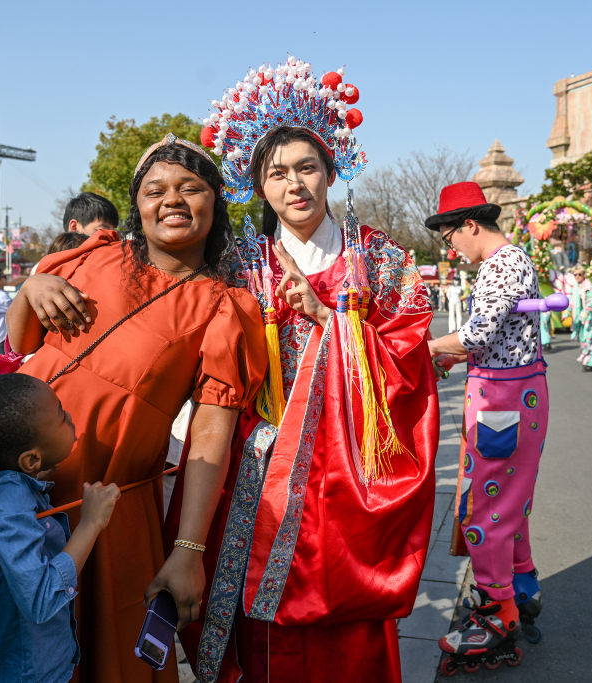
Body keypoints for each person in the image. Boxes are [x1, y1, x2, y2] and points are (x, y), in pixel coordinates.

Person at [0, 134, 268, 683]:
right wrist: (32, 288)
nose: (171, 200)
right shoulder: (91, 255)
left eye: (190, 188)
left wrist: (189, 549)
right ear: (137, 205)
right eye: (155, 190)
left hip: (102, 509)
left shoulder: (225, 307)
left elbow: (211, 439)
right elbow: (21, 342)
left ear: (215, 202)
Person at [167, 60, 439, 683]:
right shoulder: (237, 263)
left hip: (347, 471)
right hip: (255, 471)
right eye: (276, 172)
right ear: (257, 186)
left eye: (307, 167)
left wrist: (326, 318)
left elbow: (410, 364)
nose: (295, 184)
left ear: (331, 171)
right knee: (253, 624)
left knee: (345, 620)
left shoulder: (383, 261)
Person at [425, 183, 546, 670]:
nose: (449, 246)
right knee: (509, 507)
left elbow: (477, 332)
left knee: (485, 510)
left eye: (449, 235)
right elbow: (491, 337)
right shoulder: (511, 262)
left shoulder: (502, 263)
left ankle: (498, 615)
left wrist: (426, 347)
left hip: (503, 401)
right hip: (510, 393)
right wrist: (455, 355)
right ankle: (521, 588)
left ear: (470, 225)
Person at [0, 374, 121, 683]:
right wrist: (92, 522)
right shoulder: (9, 502)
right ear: (30, 459)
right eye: (60, 415)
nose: (69, 416)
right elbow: (40, 598)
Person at [572, 266, 592, 371]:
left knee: (588, 339)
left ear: (584, 275)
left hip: (590, 317)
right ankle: (591, 360)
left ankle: (591, 362)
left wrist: (585, 312)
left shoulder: (589, 286)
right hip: (580, 318)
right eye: (575, 274)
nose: (577, 276)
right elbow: (572, 301)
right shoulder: (576, 287)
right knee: (583, 339)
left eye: (579, 274)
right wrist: (567, 313)